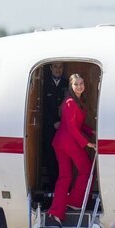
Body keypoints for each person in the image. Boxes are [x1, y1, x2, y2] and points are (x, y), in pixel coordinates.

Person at [48, 73, 95, 226]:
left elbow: (79, 125)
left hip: (62, 142)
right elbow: (72, 128)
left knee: (65, 177)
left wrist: (91, 131)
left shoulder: (77, 101)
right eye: (76, 84)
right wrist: (87, 143)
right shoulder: (70, 102)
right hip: (68, 142)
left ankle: (56, 211)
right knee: (86, 169)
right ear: (71, 86)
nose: (79, 86)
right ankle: (74, 201)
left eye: (81, 83)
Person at [43, 62, 68, 191]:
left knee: (62, 157)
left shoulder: (67, 83)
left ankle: (62, 186)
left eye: (61, 67)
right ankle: (53, 187)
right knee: (50, 156)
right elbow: (43, 106)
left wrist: (62, 121)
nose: (58, 69)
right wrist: (53, 121)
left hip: (63, 126)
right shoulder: (44, 84)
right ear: (51, 68)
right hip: (49, 126)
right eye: (56, 67)